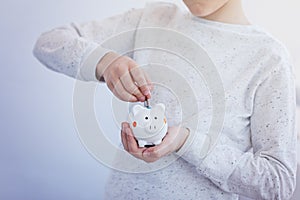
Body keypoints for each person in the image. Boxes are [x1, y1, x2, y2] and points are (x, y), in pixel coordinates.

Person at [33, 0, 297, 199]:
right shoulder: (153, 18)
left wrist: (186, 142)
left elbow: (279, 182)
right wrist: (104, 61)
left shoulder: (268, 58)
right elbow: (48, 43)